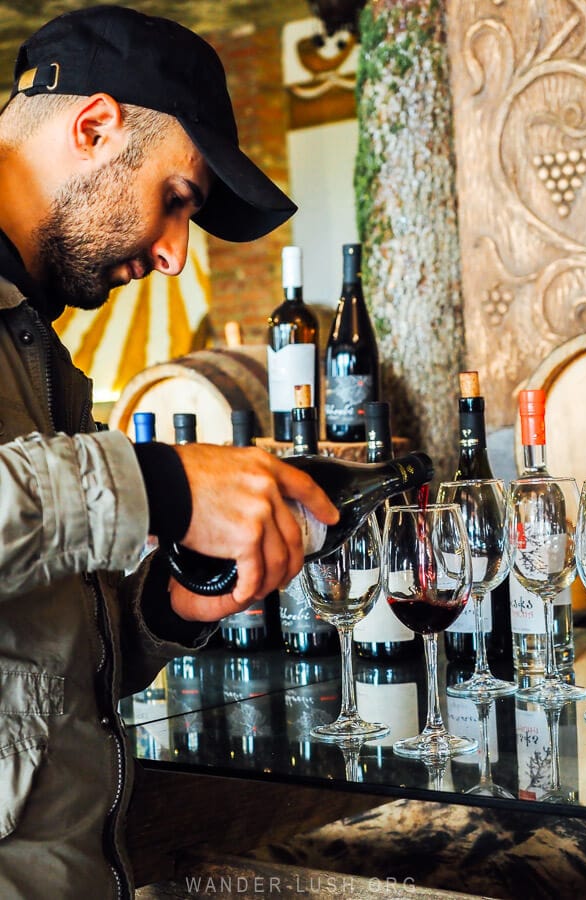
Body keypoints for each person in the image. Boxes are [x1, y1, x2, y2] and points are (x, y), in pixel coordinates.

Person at [0, 6, 338, 898]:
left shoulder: (37, 352)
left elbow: (37, 670)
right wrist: (161, 484)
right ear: (95, 126)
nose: (175, 255)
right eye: (177, 200)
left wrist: (166, 608)